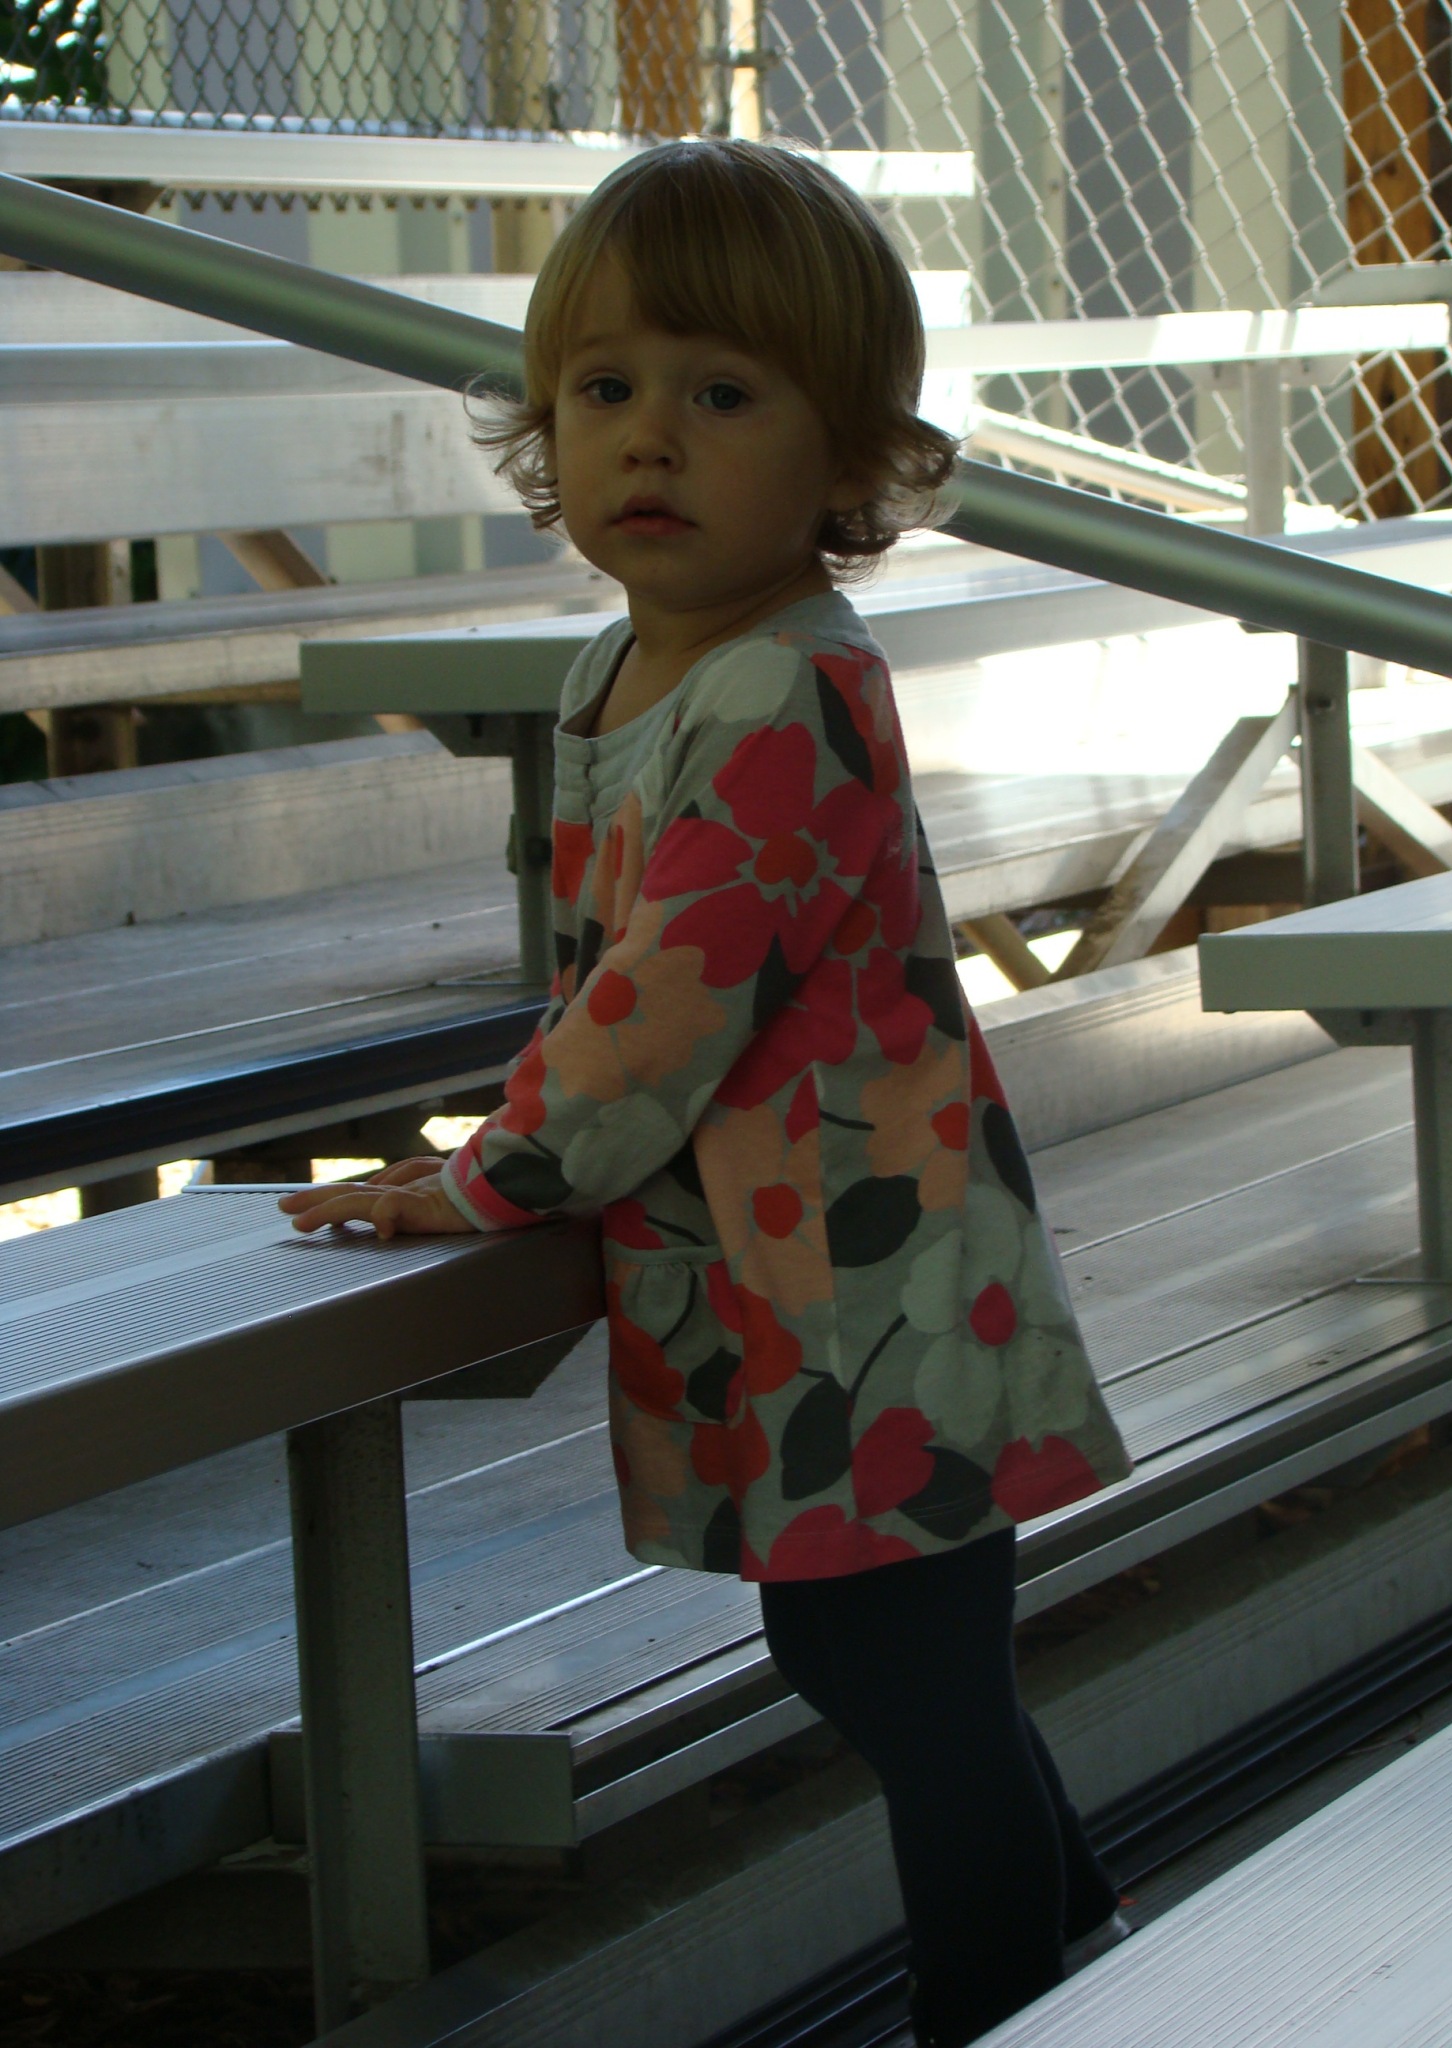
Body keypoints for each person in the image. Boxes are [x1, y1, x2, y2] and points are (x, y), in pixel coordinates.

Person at [280, 136, 1133, 2047]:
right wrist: (507, 1143)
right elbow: (608, 981)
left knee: (899, 1679)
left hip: (877, 1291)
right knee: (901, 1675)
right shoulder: (634, 664)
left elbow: (668, 1000)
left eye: (725, 394)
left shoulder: (785, 690)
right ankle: (1089, 1949)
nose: (651, 438)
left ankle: (1001, 2003)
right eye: (605, 390)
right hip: (790, 1282)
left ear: (851, 462)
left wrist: (493, 1173)